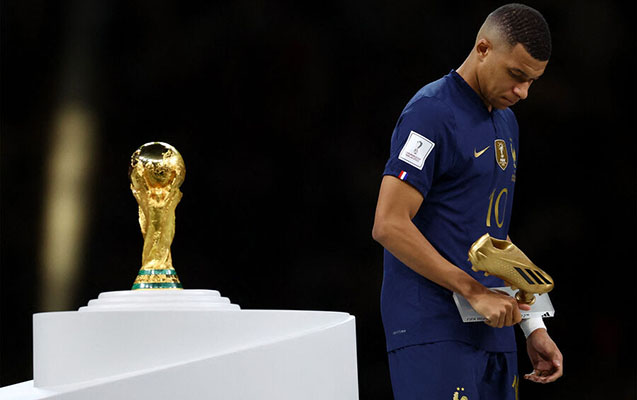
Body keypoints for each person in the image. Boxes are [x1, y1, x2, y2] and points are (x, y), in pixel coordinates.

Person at [372, 4, 563, 399]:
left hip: (494, 328)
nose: (523, 92)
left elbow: (494, 237)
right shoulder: (430, 112)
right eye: (516, 75)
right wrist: (473, 291)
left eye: (532, 81)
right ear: (483, 49)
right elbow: (389, 224)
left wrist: (533, 324)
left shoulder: (506, 121)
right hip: (433, 327)